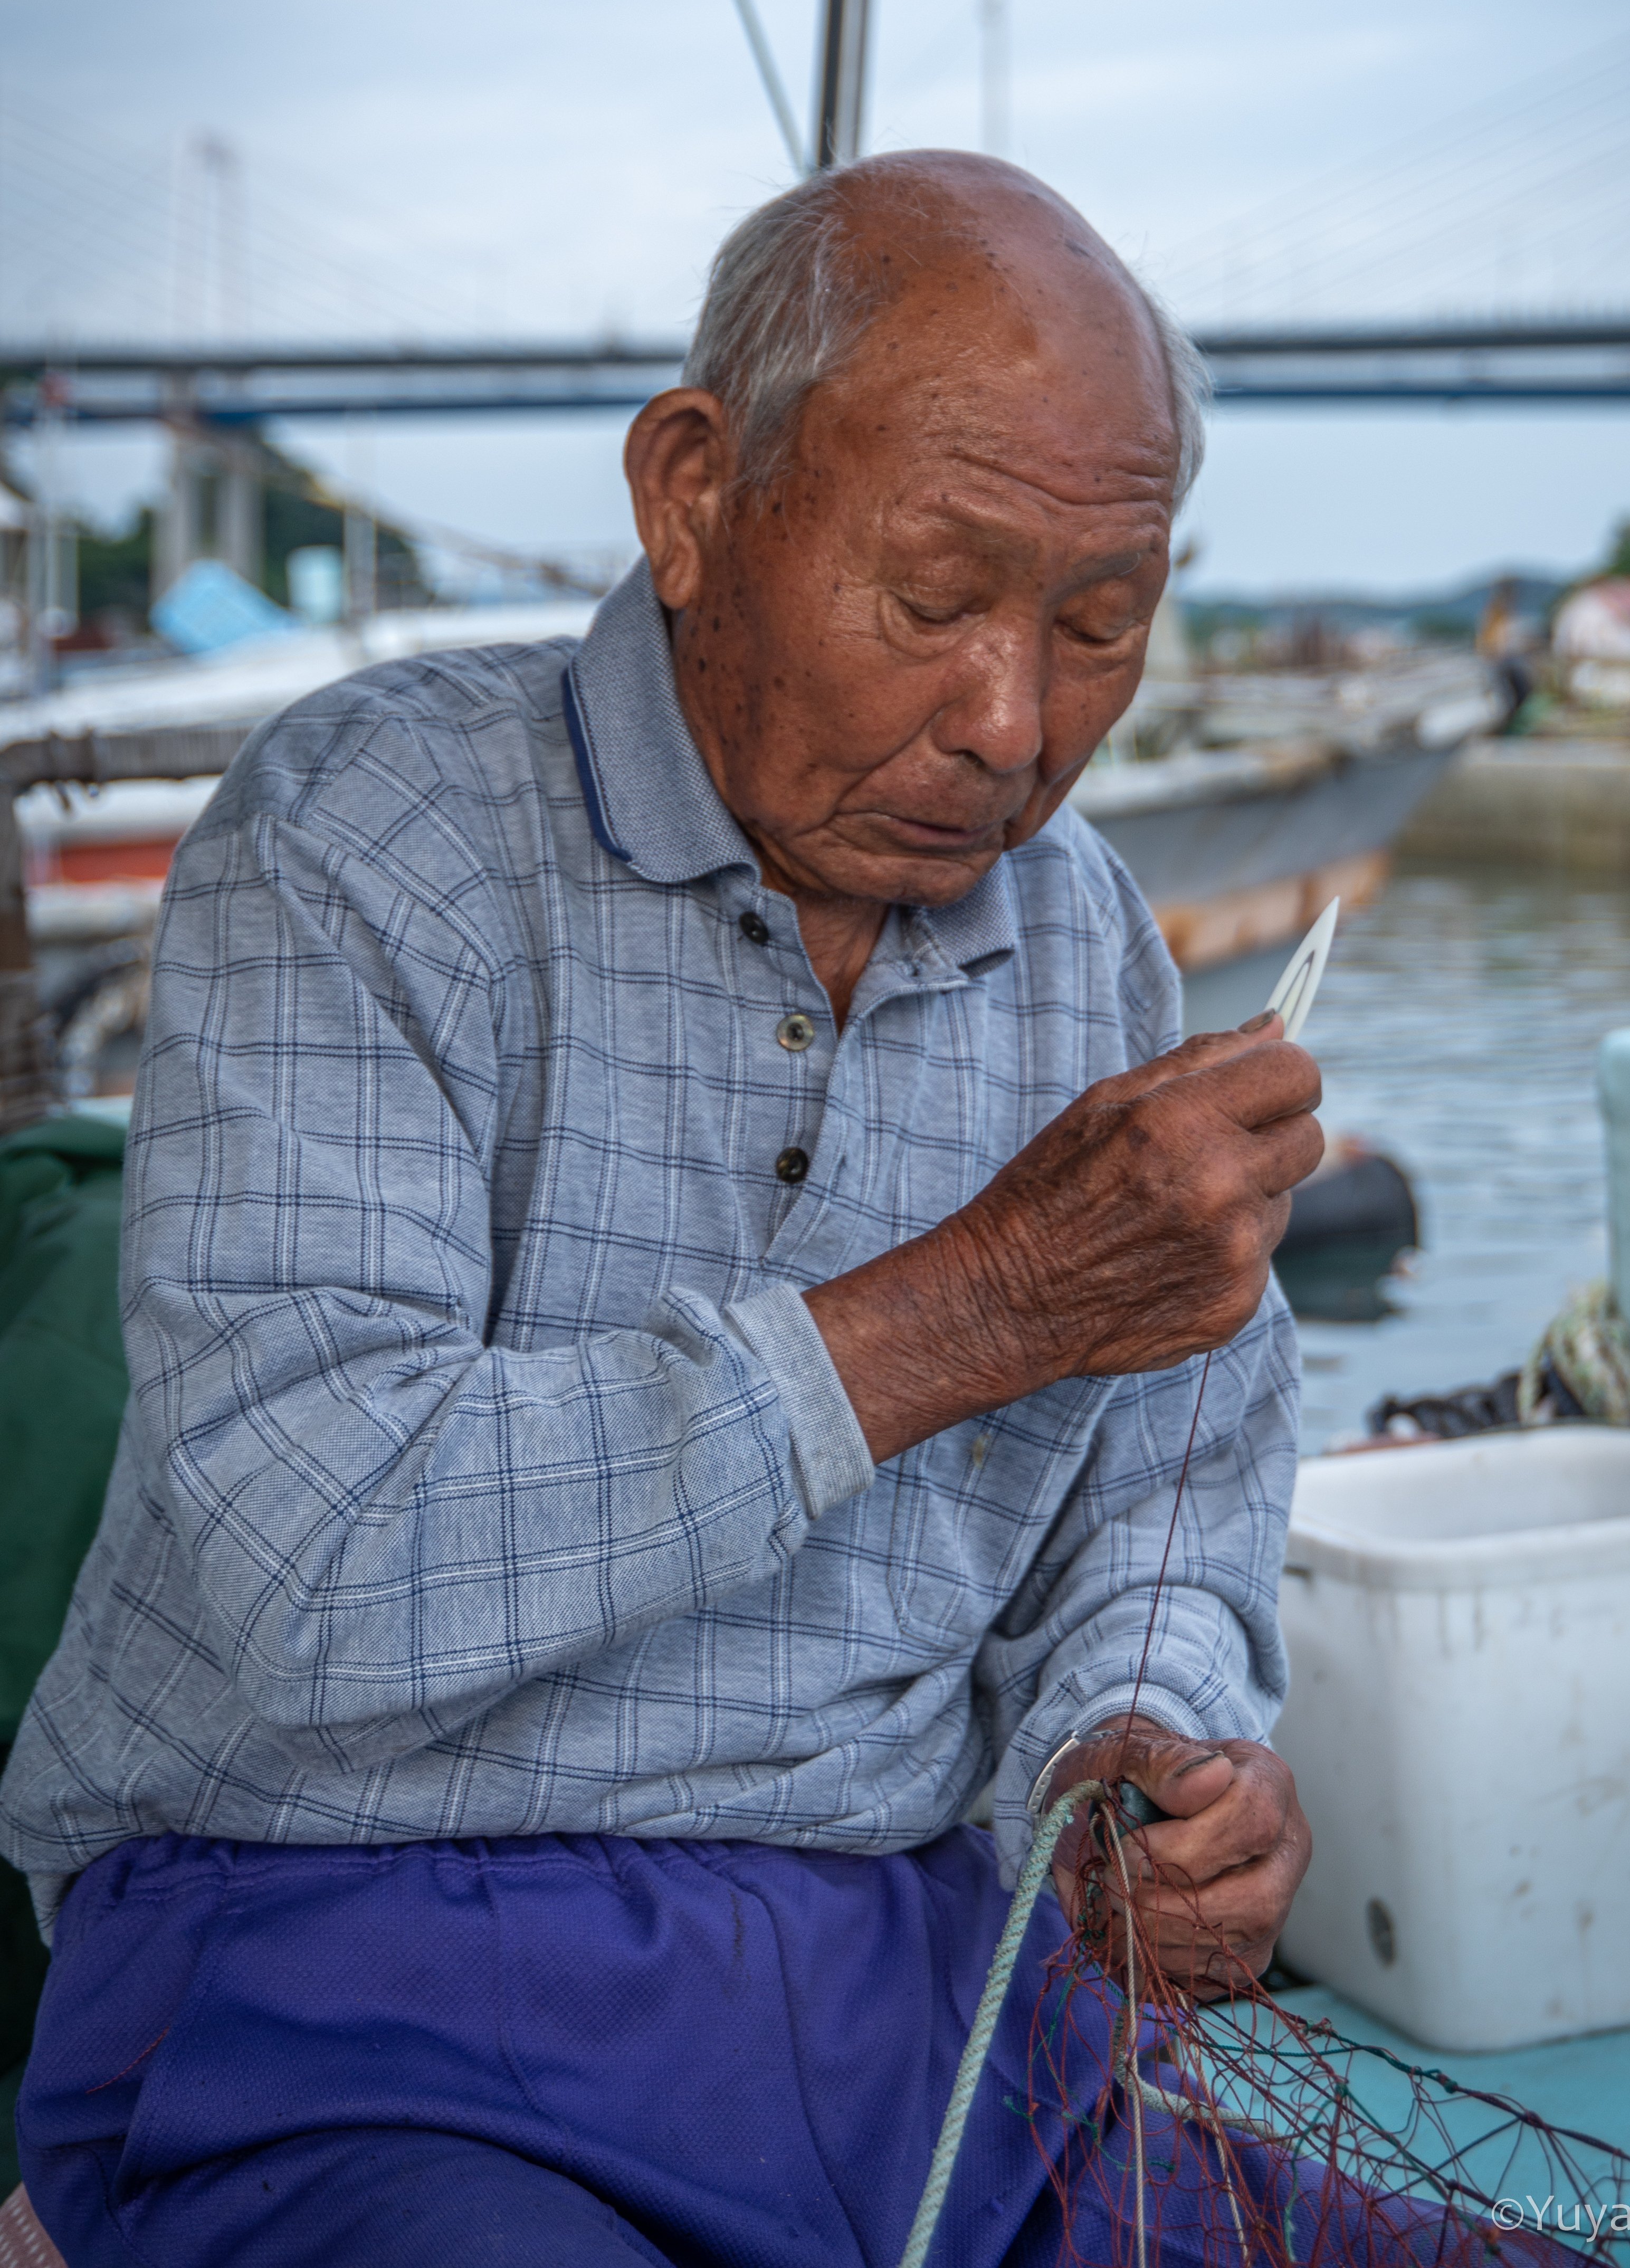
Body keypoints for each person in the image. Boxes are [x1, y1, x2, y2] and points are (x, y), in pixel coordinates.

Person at [1, 151, 1325, 2268]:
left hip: (891, 1977)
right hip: (344, 1953)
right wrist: (977, 1306)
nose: (1011, 726)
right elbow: (318, 1564)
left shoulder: (1081, 936)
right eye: (935, 598)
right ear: (694, 494)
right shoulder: (370, 834)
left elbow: (1176, 1472)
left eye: (1098, 626)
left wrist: (1141, 1749)